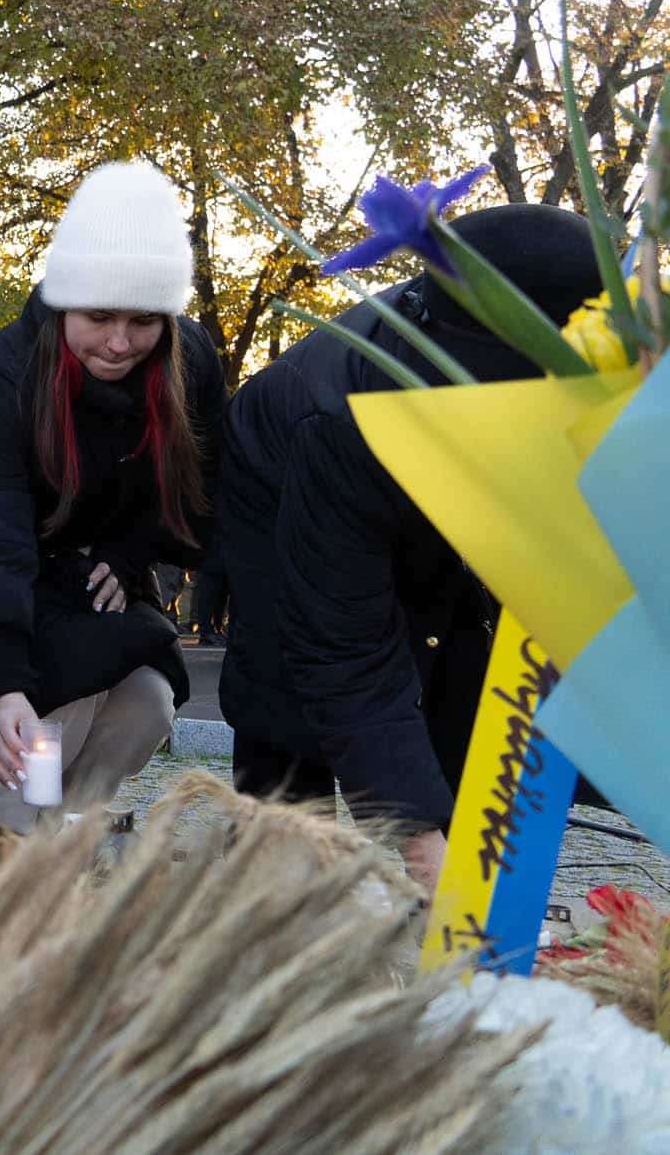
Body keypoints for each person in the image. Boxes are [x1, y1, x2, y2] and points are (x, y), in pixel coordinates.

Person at [217, 203, 603, 892]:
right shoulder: (342, 420)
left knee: (460, 666)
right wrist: (417, 833)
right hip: (275, 486)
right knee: (287, 694)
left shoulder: (600, 364)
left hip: (438, 473)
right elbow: (343, 648)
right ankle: (272, 909)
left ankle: (463, 914)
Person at [0, 162, 223, 834]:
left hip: (94, 576)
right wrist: (2, 686)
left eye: (143, 320)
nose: (120, 342)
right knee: (58, 693)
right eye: (99, 316)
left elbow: (197, 491)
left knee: (147, 699)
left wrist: (132, 550)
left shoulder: (187, 360)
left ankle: (63, 833)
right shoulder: (7, 380)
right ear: (63, 303)